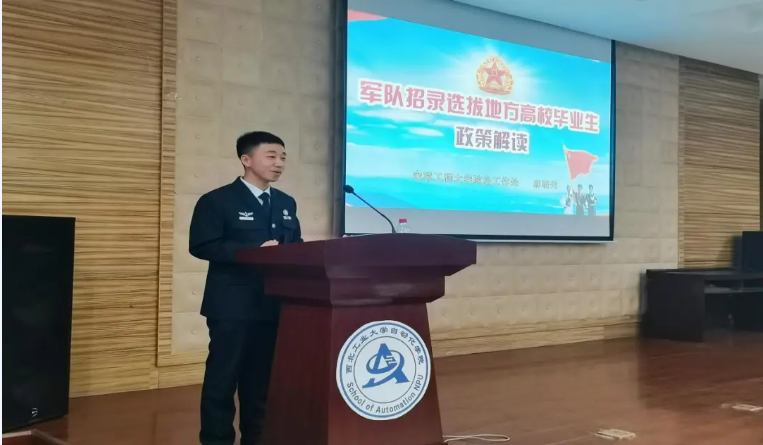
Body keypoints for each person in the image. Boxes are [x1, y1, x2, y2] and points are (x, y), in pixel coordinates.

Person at [189, 131, 302, 445]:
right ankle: (216, 440)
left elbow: (295, 244)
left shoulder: (286, 202)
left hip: (271, 304)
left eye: (283, 158)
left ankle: (257, 438)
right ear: (246, 159)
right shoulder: (217, 201)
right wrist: (251, 252)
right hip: (231, 306)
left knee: (261, 382)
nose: (279, 163)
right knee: (222, 379)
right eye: (271, 156)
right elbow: (202, 245)